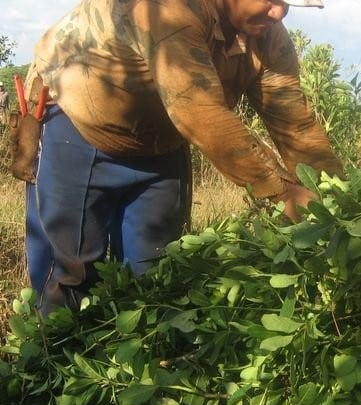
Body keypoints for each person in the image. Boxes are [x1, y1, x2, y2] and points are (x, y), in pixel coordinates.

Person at [19, 0, 342, 315]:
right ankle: (54, 360)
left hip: (160, 144)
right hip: (78, 126)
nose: (279, 12)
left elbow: (293, 122)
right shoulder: (168, 9)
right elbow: (198, 110)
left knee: (156, 275)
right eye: (271, 0)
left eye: (290, 5)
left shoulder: (267, 36)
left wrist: (336, 198)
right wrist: (282, 192)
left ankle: (138, 360)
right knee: (70, 277)